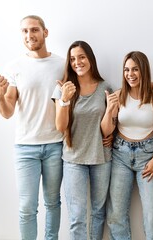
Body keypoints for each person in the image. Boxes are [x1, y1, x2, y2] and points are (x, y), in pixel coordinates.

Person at [0, 15, 64, 240]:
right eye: (24, 31)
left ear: (45, 32)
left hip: (54, 145)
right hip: (25, 148)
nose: (29, 35)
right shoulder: (14, 66)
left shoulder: (61, 64)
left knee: (53, 203)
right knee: (27, 208)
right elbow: (7, 111)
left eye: (34, 30)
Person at [102, 51, 153, 240]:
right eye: (126, 70)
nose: (130, 74)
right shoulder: (118, 96)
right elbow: (106, 132)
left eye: (135, 69)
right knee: (115, 215)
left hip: (148, 156)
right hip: (120, 155)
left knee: (152, 216)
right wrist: (109, 109)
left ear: (143, 71)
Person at [52, 40, 112, 240]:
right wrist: (65, 99)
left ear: (90, 59)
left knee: (98, 212)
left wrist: (110, 135)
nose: (77, 62)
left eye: (81, 57)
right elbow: (60, 127)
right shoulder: (63, 88)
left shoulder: (105, 87)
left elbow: (109, 126)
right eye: (72, 59)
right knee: (77, 216)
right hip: (73, 159)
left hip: (101, 158)